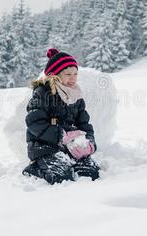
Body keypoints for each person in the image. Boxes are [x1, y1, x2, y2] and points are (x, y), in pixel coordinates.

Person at [22, 48, 100, 184]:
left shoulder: (76, 96)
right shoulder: (43, 93)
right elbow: (34, 122)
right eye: (68, 74)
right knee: (61, 176)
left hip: (70, 148)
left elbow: (84, 123)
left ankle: (71, 162)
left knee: (91, 173)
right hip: (45, 147)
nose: (73, 78)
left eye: (75, 74)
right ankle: (35, 167)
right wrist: (61, 136)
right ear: (55, 74)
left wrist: (89, 142)